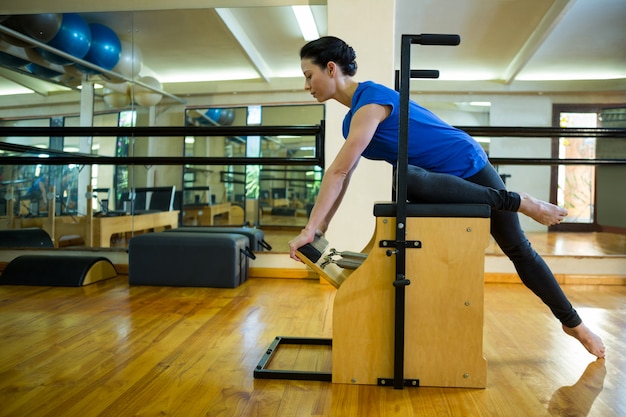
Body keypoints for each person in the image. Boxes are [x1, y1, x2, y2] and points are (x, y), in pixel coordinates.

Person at [288, 36, 605, 359]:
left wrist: (309, 229)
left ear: (330, 69)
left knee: (518, 249)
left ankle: (572, 321)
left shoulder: (371, 101)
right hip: (432, 182)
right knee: (404, 180)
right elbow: (345, 175)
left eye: (308, 75)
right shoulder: (351, 120)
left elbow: (337, 172)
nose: (306, 85)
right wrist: (320, 226)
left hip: (466, 165)